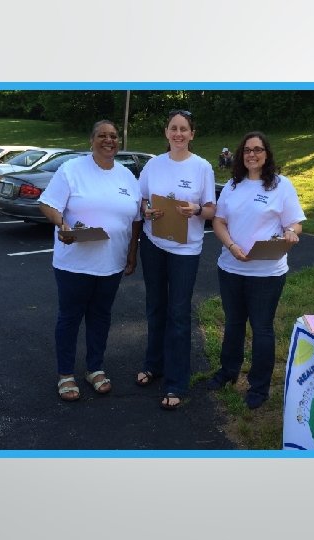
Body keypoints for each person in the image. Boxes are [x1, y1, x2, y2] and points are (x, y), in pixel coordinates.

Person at [37, 120, 142, 401]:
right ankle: (65, 374)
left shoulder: (127, 176)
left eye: (114, 136)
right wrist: (62, 225)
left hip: (111, 264)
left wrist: (132, 254)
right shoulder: (72, 169)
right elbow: (47, 204)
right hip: (74, 263)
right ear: (91, 140)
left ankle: (95, 368)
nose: (109, 140)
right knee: (70, 318)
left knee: (101, 318)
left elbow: (136, 220)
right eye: (102, 136)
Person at [209, 131, 306, 409]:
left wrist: (289, 231)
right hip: (230, 267)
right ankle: (228, 372)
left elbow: (296, 223)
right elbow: (218, 222)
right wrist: (230, 246)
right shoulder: (232, 185)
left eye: (258, 149)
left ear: (267, 154)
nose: (252, 154)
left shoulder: (280, 185)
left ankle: (259, 387)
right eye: (247, 150)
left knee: (262, 329)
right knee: (233, 323)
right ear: (241, 155)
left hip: (267, 273)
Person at [138, 110, 216, 410]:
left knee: (179, 314)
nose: (178, 134)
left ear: (192, 134)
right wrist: (146, 210)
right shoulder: (153, 165)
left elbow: (211, 209)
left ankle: (176, 381)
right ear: (166, 132)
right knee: (155, 307)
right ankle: (153, 364)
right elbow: (141, 198)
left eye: (184, 129)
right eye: (174, 128)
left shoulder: (202, 167)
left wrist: (196, 210)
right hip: (154, 244)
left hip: (185, 250)